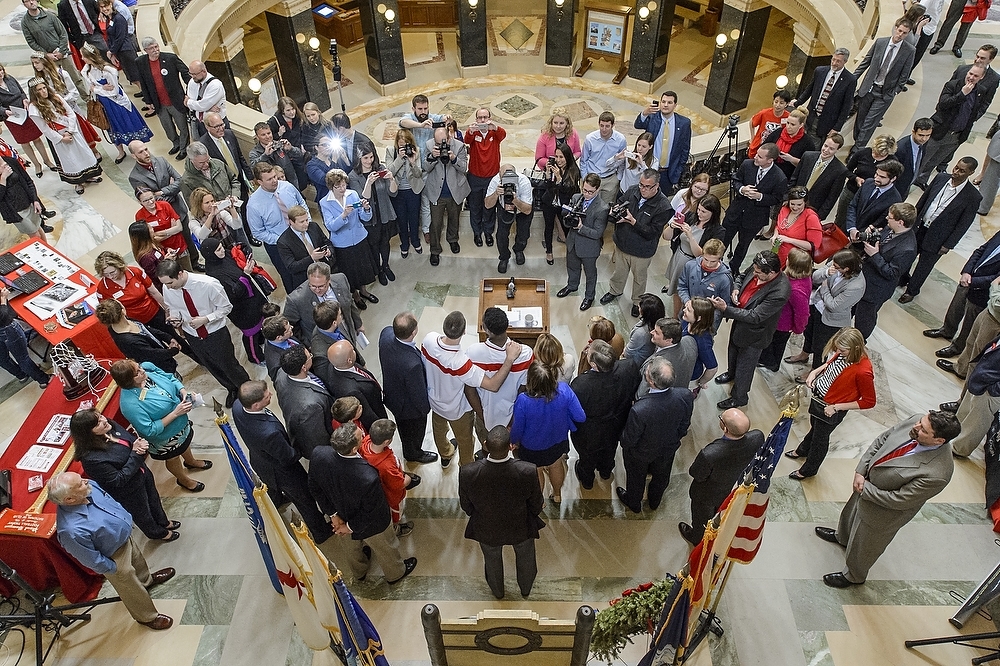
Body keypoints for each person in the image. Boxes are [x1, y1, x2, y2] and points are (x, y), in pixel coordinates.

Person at [815, 411, 959, 587]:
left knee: (866, 546)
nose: (916, 426)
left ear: (939, 441)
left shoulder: (938, 473)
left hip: (883, 511)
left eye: (923, 430)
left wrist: (864, 489)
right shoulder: (917, 420)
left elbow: (900, 500)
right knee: (850, 516)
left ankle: (853, 576)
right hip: (866, 484)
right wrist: (861, 470)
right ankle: (842, 537)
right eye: (921, 422)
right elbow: (883, 439)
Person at [48, 472, 175, 630]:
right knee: (128, 587)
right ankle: (147, 617)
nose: (86, 481)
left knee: (138, 560)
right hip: (112, 555)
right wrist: (113, 569)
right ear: (69, 499)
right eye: (80, 484)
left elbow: (109, 501)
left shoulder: (89, 487)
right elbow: (90, 559)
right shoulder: (70, 530)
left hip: (123, 537)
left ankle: (146, 581)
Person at [309, 423, 418, 585]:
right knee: (385, 547)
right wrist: (350, 526)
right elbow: (371, 511)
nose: (365, 437)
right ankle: (395, 573)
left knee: (351, 549)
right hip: (372, 524)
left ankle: (359, 572)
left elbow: (313, 486)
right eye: (361, 437)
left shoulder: (318, 454)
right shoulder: (367, 477)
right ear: (354, 449)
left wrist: (333, 515)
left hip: (340, 514)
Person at [231, 380, 333, 546]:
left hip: (260, 460)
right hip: (283, 472)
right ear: (256, 405)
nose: (270, 394)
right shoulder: (268, 433)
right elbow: (288, 457)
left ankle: (277, 501)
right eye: (266, 396)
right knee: (305, 500)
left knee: (272, 489)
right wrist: (301, 446)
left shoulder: (238, 406)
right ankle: (321, 531)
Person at [421, 311, 522, 467]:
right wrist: (509, 359)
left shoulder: (428, 340)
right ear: (464, 331)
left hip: (434, 400)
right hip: (457, 409)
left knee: (439, 432)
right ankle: (466, 467)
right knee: (465, 440)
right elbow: (493, 385)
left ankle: (445, 454)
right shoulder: (461, 362)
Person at [459, 425, 544, 599]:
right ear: (511, 447)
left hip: (486, 526)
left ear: (485, 445)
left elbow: (466, 505)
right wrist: (533, 514)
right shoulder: (527, 470)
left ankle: (498, 592)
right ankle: (526, 589)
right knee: (526, 557)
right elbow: (536, 502)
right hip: (520, 525)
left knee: (492, 560)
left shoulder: (468, 472)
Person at [69, 409, 177, 541]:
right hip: (129, 490)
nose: (104, 420)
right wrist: (136, 453)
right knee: (143, 513)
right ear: (88, 432)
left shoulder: (109, 425)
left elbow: (129, 439)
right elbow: (118, 479)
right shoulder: (92, 459)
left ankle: (163, 521)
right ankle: (157, 533)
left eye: (101, 416)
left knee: (154, 499)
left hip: (142, 473)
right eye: (98, 423)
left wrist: (139, 446)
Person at [156, 259, 250, 407]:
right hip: (192, 334)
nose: (167, 287)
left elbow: (226, 307)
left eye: (170, 283)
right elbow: (173, 306)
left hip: (215, 332)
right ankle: (230, 388)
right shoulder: (168, 287)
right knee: (212, 366)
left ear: (180, 274)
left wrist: (206, 319)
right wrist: (175, 318)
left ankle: (247, 390)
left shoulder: (208, 284)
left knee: (228, 364)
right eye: (165, 284)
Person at [787, 326, 877, 480]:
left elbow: (869, 401)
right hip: (820, 400)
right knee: (815, 429)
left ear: (854, 347)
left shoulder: (863, 371)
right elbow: (830, 365)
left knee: (820, 440)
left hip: (832, 407)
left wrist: (836, 407)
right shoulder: (843, 354)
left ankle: (809, 469)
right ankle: (802, 450)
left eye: (842, 350)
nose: (838, 352)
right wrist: (814, 373)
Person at [111, 359, 212, 491]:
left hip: (182, 424)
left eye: (139, 367)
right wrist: (176, 413)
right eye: (137, 372)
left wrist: (183, 392)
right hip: (166, 438)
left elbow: (170, 377)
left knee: (185, 443)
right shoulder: (129, 404)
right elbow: (149, 430)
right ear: (128, 380)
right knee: (173, 457)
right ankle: (183, 479)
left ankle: (190, 461)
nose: (142, 370)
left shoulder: (148, 368)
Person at [711, 250, 791, 409]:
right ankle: (731, 373)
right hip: (740, 322)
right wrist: (736, 289)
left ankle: (739, 397)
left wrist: (726, 309)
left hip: (756, 333)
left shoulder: (780, 291)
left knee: (745, 366)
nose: (754, 273)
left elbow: (756, 316)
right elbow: (741, 276)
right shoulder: (758, 267)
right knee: (733, 350)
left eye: (759, 273)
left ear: (772, 273)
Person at [898, 157, 982, 303]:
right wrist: (911, 221)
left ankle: (912, 290)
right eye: (956, 167)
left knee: (924, 266)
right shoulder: (941, 178)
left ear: (971, 173)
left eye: (962, 171)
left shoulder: (973, 196)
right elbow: (923, 201)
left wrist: (949, 244)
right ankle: (902, 278)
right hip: (920, 227)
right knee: (908, 254)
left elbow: (964, 224)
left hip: (939, 237)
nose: (956, 172)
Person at [617, 356, 694, 513]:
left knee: (636, 478)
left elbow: (629, 439)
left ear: (651, 381)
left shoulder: (640, 409)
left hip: (640, 454)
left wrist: (624, 442)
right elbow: (684, 424)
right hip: (668, 448)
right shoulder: (685, 396)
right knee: (661, 476)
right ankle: (654, 500)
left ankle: (634, 502)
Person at [679, 407, 763, 545]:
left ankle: (697, 538)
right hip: (732, 487)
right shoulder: (757, 437)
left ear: (725, 428)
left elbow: (696, 473)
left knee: (702, 519)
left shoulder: (710, 454)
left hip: (707, 494)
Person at [509, 361, 584, 503]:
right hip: (558, 440)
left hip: (532, 447)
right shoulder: (564, 390)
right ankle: (557, 495)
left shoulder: (523, 400)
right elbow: (580, 416)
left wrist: (513, 440)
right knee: (556, 465)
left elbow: (518, 427)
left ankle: (539, 501)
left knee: (536, 471)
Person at [600, 168, 671, 317]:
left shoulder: (663, 207)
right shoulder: (633, 190)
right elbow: (619, 203)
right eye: (641, 185)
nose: (643, 189)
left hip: (642, 251)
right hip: (622, 243)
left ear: (656, 186)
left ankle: (637, 302)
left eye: (647, 187)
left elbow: (652, 232)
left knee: (639, 279)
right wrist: (615, 210)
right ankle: (615, 290)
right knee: (619, 272)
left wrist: (633, 221)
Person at [570, 339, 639, 488]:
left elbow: (574, 411)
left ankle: (587, 480)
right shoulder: (629, 367)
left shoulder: (581, 385)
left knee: (587, 456)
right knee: (610, 448)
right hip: (617, 423)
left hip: (589, 431)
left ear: (594, 364)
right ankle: (606, 471)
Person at [786, 249, 866, 370]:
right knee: (809, 334)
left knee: (821, 347)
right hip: (816, 306)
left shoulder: (856, 286)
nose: (833, 266)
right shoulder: (837, 263)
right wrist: (827, 273)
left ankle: (815, 371)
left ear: (846, 269)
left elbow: (834, 306)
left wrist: (824, 289)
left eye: (836, 267)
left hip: (830, 320)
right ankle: (804, 355)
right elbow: (814, 277)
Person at [929, 232, 1000, 367]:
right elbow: (980, 251)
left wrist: (973, 281)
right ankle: (947, 330)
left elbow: (996, 279)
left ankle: (957, 347)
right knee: (955, 309)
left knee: (969, 323)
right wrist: (967, 272)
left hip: (982, 292)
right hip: (967, 280)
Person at [913, 67, 990, 189]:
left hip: (957, 135)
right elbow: (942, 105)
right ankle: (910, 180)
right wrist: (962, 94)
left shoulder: (981, 91)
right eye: (970, 73)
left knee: (935, 161)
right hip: (941, 131)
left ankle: (922, 179)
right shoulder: (953, 85)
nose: (971, 77)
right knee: (923, 159)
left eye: (975, 76)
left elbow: (975, 110)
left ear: (982, 77)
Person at [721, 144, 789, 276]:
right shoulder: (747, 164)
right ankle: (715, 263)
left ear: (770, 160)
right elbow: (736, 180)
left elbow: (776, 198)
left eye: (760, 156)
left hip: (754, 218)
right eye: (757, 154)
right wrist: (742, 189)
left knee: (743, 245)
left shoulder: (779, 177)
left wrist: (760, 197)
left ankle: (733, 270)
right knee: (723, 239)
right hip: (735, 212)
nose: (755, 157)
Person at [854, 203, 919, 339]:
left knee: (864, 320)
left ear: (900, 222)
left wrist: (874, 255)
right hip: (862, 278)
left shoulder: (907, 248)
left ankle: (858, 343)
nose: (886, 219)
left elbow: (892, 273)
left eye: (890, 218)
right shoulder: (891, 229)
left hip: (875, 289)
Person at [27, 76, 101, 194]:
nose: (43, 91)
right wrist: (62, 138)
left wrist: (70, 131)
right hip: (59, 137)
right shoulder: (34, 108)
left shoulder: (56, 97)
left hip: (71, 131)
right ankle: (77, 182)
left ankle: (88, 176)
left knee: (82, 153)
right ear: (34, 93)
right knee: (70, 159)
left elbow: (71, 114)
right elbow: (44, 129)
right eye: (39, 90)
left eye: (44, 88)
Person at [127, 141, 197, 265]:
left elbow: (180, 181)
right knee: (170, 244)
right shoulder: (135, 176)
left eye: (146, 149)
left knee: (187, 237)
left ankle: (194, 261)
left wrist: (160, 192)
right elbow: (148, 199)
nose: (146, 153)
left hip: (178, 208)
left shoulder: (161, 161)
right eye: (141, 152)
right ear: (134, 156)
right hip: (161, 218)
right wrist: (170, 191)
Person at [851, 18, 916, 153]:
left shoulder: (909, 50)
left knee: (870, 123)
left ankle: (857, 149)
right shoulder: (880, 42)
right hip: (869, 88)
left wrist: (896, 91)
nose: (900, 35)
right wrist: (852, 79)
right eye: (899, 31)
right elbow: (866, 62)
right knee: (860, 119)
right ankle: (858, 141)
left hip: (885, 93)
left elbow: (905, 74)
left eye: (904, 33)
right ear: (895, 28)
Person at [467, 307, 535, 434]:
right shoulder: (525, 353)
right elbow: (524, 390)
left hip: (485, 412)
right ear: (507, 325)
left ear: (486, 330)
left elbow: (469, 390)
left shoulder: (473, 353)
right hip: (513, 416)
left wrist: (483, 416)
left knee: (486, 442)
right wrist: (514, 419)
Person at [379, 312, 436, 464]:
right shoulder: (412, 365)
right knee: (413, 432)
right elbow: (417, 393)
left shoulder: (385, 335)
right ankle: (414, 453)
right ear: (414, 332)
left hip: (393, 395)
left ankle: (410, 449)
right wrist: (425, 410)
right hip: (409, 408)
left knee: (404, 431)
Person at [201, 237, 268, 365]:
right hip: (241, 309)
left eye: (221, 247)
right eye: (219, 250)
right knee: (251, 333)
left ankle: (261, 339)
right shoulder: (215, 275)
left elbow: (235, 255)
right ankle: (255, 357)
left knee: (260, 322)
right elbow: (233, 294)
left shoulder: (223, 256)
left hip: (252, 299)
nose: (223, 251)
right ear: (210, 254)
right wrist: (245, 274)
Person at [320, 168, 379, 309]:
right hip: (343, 244)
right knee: (350, 273)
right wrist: (343, 215)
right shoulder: (325, 202)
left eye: (344, 184)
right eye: (338, 186)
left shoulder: (352, 194)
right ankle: (356, 296)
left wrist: (366, 209)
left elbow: (365, 218)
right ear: (331, 186)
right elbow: (331, 226)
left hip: (359, 238)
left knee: (363, 268)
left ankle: (364, 291)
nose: (342, 188)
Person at [80, 45, 149, 163]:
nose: (82, 59)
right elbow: (90, 88)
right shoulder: (86, 71)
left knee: (126, 124)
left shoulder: (108, 70)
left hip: (117, 103)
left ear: (90, 57)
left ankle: (138, 150)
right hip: (103, 104)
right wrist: (101, 88)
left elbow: (114, 91)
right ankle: (120, 151)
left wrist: (97, 88)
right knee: (111, 127)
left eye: (83, 56)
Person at [245, 161, 307, 292]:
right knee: (290, 277)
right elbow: (258, 232)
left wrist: (308, 221)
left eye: (274, 176)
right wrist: (283, 240)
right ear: (259, 182)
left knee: (308, 268)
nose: (274, 181)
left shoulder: (287, 187)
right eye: (269, 179)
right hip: (278, 246)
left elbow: (301, 202)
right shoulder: (254, 205)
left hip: (302, 236)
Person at [398, 94, 451, 240]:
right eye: (420, 109)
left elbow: (444, 118)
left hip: (428, 167)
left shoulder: (432, 117)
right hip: (412, 168)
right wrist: (420, 125)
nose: (423, 112)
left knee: (427, 201)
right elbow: (403, 122)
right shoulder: (409, 118)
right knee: (414, 203)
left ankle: (427, 230)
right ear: (413, 108)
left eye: (425, 108)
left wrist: (447, 117)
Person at [663, 193, 725, 315]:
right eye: (699, 210)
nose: (699, 214)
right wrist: (672, 226)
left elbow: (703, 256)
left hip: (695, 265)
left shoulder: (718, 231)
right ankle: (675, 317)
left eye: (704, 212)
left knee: (689, 294)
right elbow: (666, 236)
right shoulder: (691, 216)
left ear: (713, 213)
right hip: (679, 257)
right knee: (676, 291)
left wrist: (690, 236)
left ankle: (686, 317)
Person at [555, 174, 609, 311]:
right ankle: (572, 286)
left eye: (590, 192)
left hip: (589, 247)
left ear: (597, 189)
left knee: (590, 274)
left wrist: (580, 227)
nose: (586, 194)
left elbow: (597, 233)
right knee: (572, 267)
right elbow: (567, 220)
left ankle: (589, 296)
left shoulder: (602, 208)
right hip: (572, 242)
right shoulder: (576, 198)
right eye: (584, 190)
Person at [757, 248, 814, 372]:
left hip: (782, 323)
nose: (786, 259)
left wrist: (798, 328)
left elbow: (802, 313)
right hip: (780, 319)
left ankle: (771, 363)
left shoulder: (796, 290)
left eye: (788, 258)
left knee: (773, 345)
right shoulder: (800, 276)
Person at [360, 419, 419, 536]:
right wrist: (407, 478)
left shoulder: (365, 442)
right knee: (395, 514)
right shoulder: (386, 466)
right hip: (392, 497)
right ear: (386, 442)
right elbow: (398, 484)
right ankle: (396, 529)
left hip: (382, 490)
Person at [272, 345, 333, 460]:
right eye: (310, 356)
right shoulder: (310, 407)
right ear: (304, 367)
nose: (311, 355)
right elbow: (319, 438)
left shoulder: (282, 372)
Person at [21, 0, 89, 100]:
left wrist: (61, 50)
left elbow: (62, 33)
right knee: (55, 82)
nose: (31, 2)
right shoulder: (25, 22)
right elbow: (31, 42)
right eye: (27, 1)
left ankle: (87, 99)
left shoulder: (50, 16)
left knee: (76, 78)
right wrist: (46, 55)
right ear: (24, 4)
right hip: (48, 59)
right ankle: (63, 103)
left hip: (63, 54)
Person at [421, 125, 470, 267]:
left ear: (449, 137)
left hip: (455, 190)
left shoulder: (459, 146)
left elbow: (463, 168)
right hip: (437, 192)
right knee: (435, 223)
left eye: (443, 142)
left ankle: (453, 240)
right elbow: (426, 167)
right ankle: (435, 250)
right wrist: (432, 157)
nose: (441, 145)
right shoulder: (429, 145)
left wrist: (453, 158)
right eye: (437, 142)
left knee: (454, 219)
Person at [94, 250, 172, 336]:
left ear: (119, 266)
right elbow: (109, 311)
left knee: (172, 336)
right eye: (106, 274)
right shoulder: (102, 289)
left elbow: (153, 291)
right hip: (134, 324)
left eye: (113, 272)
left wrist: (167, 308)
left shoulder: (135, 272)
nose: (111, 276)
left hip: (154, 313)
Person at [349, 145, 396, 285]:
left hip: (384, 213)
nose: (369, 161)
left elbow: (393, 193)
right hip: (369, 217)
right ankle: (379, 270)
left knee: (385, 242)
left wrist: (392, 179)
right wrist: (368, 183)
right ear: (359, 159)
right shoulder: (353, 176)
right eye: (365, 158)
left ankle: (386, 265)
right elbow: (362, 198)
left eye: (371, 157)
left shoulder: (380, 169)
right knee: (374, 245)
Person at [945, 337, 1000, 456]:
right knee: (965, 412)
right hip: (982, 378)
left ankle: (958, 450)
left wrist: (993, 389)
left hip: (991, 390)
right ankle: (951, 433)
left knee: (976, 422)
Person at [136, 37, 189, 159]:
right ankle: (175, 143)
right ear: (145, 50)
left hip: (175, 100)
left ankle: (183, 147)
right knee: (168, 127)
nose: (155, 50)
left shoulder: (170, 58)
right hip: (159, 102)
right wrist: (148, 101)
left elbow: (185, 72)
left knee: (182, 125)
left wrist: (189, 92)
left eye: (156, 46)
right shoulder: (141, 62)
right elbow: (143, 83)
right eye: (151, 48)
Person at [96, 298, 180, 375]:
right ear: (123, 311)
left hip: (164, 356)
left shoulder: (127, 321)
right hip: (161, 369)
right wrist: (173, 351)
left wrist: (168, 337)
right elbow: (153, 354)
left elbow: (147, 330)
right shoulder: (128, 341)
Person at [283, 262, 361, 342]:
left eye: (321, 286)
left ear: (328, 280)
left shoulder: (341, 280)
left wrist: (359, 324)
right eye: (313, 286)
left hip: (347, 331)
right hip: (323, 343)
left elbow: (350, 303)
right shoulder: (296, 300)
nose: (317, 290)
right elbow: (289, 325)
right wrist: (307, 344)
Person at [0, 62, 55, 178]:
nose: (0, 74)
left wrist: (25, 99)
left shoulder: (10, 79)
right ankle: (37, 164)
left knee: (37, 138)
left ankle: (47, 161)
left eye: (1, 71)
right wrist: (5, 111)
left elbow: (21, 91)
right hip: (12, 118)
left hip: (25, 111)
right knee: (25, 142)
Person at [833, 135, 896, 232]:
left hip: (869, 198)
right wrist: (856, 178)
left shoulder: (892, 162)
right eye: (875, 152)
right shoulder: (863, 153)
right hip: (852, 191)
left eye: (881, 155)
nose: (877, 155)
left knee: (860, 222)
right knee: (841, 219)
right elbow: (846, 170)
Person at [793, 48, 857, 144]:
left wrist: (837, 128)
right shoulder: (820, 71)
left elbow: (846, 106)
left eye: (838, 61)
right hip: (810, 115)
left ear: (845, 61)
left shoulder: (850, 80)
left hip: (827, 121)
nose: (834, 63)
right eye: (833, 59)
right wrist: (797, 103)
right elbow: (809, 89)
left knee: (814, 145)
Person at [633, 90, 692, 192]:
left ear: (675, 105)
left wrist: (677, 172)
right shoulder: (652, 117)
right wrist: (644, 113)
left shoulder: (684, 123)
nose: (665, 105)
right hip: (649, 168)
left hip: (668, 173)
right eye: (663, 102)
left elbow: (685, 149)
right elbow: (638, 125)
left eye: (669, 103)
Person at [323, 340, 386, 431]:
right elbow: (367, 415)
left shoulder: (337, 365)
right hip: (375, 409)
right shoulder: (351, 390)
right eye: (352, 350)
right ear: (349, 360)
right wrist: (382, 427)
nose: (355, 351)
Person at [463, 107, 505, 246]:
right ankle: (477, 233)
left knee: (490, 207)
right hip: (475, 177)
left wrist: (495, 126)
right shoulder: (473, 134)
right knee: (475, 207)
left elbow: (503, 134)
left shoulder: (495, 133)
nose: (482, 120)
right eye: (480, 118)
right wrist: (470, 130)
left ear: (489, 118)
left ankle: (488, 232)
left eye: (485, 117)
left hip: (492, 177)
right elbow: (466, 139)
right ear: (476, 119)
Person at [484, 163, 534, 274]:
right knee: (501, 235)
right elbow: (487, 205)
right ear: (499, 176)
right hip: (504, 209)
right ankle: (504, 257)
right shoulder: (495, 181)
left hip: (522, 208)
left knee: (524, 234)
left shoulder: (524, 182)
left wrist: (515, 200)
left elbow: (527, 210)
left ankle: (519, 249)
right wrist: (496, 194)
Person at [788, 133, 848, 221]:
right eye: (825, 146)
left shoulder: (840, 171)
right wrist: (787, 198)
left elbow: (831, 198)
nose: (826, 150)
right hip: (793, 202)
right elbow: (794, 178)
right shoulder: (807, 156)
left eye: (831, 149)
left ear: (838, 150)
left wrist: (819, 216)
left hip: (812, 210)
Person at [676, 238, 734, 329]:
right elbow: (682, 286)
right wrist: (687, 301)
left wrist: (712, 320)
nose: (708, 264)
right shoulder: (690, 266)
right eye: (706, 259)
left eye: (713, 261)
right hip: (686, 315)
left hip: (707, 324)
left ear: (720, 258)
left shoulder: (725, 279)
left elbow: (724, 304)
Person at [385, 128, 423, 257]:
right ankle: (404, 244)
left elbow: (419, 174)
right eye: (401, 145)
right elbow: (390, 171)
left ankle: (415, 241)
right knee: (401, 219)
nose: (404, 148)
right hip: (398, 191)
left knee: (414, 218)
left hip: (413, 190)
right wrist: (400, 158)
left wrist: (412, 162)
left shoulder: (416, 151)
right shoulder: (391, 151)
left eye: (406, 144)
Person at [0, 286, 49, 387]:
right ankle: (44, 379)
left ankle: (21, 374)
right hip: (7, 328)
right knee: (23, 358)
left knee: (2, 359)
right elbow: (2, 316)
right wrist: (3, 299)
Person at [637, 317, 698, 397]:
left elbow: (641, 393)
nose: (651, 332)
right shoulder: (690, 341)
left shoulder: (657, 366)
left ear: (668, 340)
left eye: (656, 332)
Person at [540, 143, 581, 264]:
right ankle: (549, 251)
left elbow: (568, 192)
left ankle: (571, 252)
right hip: (550, 202)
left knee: (567, 228)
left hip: (564, 204)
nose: (558, 160)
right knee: (548, 227)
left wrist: (559, 179)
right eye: (556, 157)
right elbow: (547, 187)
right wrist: (548, 175)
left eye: (561, 157)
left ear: (567, 157)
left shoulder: (573, 171)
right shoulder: (553, 167)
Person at [276, 204, 333, 290]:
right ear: (291, 222)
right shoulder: (283, 242)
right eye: (302, 222)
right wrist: (311, 258)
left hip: (326, 270)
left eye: (306, 220)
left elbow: (327, 242)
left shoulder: (313, 226)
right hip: (305, 279)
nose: (306, 224)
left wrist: (329, 251)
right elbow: (292, 267)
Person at [134, 186, 191, 271]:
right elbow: (151, 239)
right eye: (145, 201)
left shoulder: (165, 205)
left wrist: (158, 233)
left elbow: (179, 228)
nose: (150, 202)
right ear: (140, 202)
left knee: (188, 271)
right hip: (163, 253)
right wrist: (171, 230)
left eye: (151, 198)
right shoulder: (139, 216)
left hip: (179, 246)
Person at [845, 160, 905, 238]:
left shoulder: (895, 200)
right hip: (848, 229)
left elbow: (880, 222)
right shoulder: (868, 183)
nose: (876, 178)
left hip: (864, 240)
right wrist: (852, 228)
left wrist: (858, 235)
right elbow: (853, 205)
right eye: (876, 174)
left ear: (893, 179)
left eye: (882, 177)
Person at [0, 148, 50, 240]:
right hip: (15, 211)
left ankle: (49, 251)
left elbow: (28, 182)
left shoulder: (11, 161)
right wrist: (3, 179)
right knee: (35, 235)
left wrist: (35, 200)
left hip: (28, 203)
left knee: (38, 228)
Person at [579, 111, 627, 203]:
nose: (604, 129)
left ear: (613, 125)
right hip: (592, 177)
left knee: (606, 209)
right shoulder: (590, 139)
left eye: (607, 126)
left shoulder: (620, 140)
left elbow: (622, 160)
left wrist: (618, 178)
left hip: (610, 179)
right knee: (587, 206)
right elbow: (583, 160)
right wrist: (585, 178)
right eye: (602, 125)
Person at [771, 186, 822, 267]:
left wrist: (789, 240)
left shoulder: (811, 217)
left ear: (805, 202)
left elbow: (813, 246)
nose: (795, 207)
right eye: (792, 204)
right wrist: (775, 235)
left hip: (794, 261)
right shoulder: (784, 209)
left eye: (799, 204)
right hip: (778, 253)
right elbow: (779, 226)